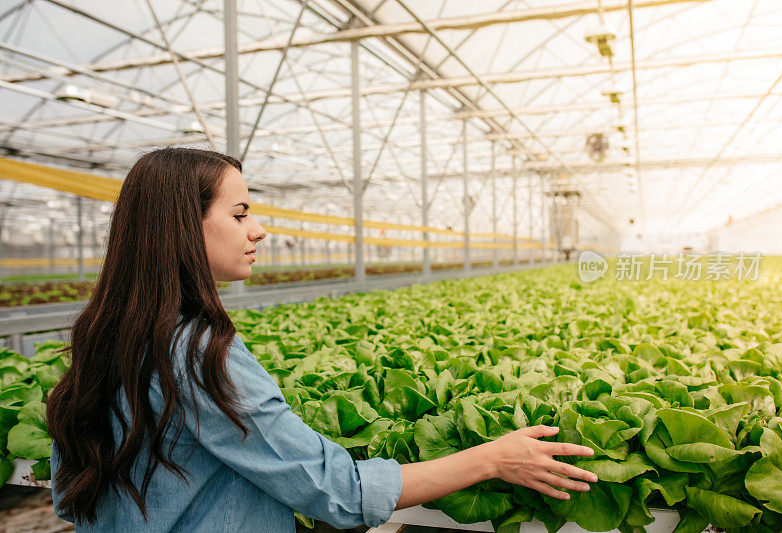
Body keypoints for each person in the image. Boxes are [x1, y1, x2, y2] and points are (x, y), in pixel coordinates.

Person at [46, 148, 598, 532]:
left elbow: (69, 497)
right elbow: (339, 492)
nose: (258, 228)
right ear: (183, 226)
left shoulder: (102, 337)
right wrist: (493, 459)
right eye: (239, 213)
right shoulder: (198, 352)